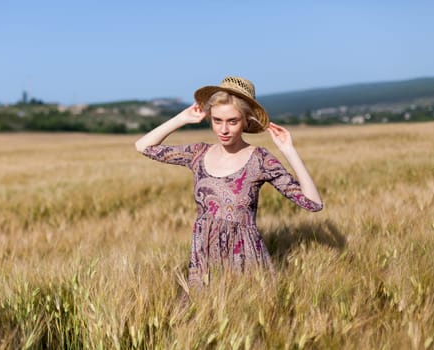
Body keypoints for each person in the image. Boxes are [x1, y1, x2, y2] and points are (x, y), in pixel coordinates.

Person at [135, 76, 323, 288]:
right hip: (203, 261)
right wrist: (181, 118)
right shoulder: (198, 153)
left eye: (232, 121)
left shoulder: (260, 159)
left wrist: (289, 150)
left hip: (246, 263)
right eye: (217, 120)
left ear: (246, 120)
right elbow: (144, 146)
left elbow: (312, 203)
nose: (223, 130)